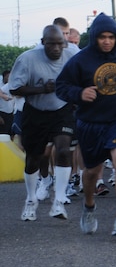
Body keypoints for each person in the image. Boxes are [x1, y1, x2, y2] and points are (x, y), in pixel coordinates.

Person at [56, 13, 116, 237]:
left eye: (111, 37)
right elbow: (61, 86)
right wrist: (79, 93)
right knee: (91, 172)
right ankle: (88, 206)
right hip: (90, 122)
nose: (107, 41)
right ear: (95, 37)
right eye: (102, 37)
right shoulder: (80, 59)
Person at [8, 25, 78, 221]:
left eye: (60, 44)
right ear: (42, 43)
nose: (56, 48)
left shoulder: (71, 57)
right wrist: (41, 89)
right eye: (51, 44)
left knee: (63, 150)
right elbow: (14, 89)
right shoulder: (28, 58)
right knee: (34, 159)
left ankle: (59, 200)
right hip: (35, 112)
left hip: (62, 110)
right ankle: (31, 200)